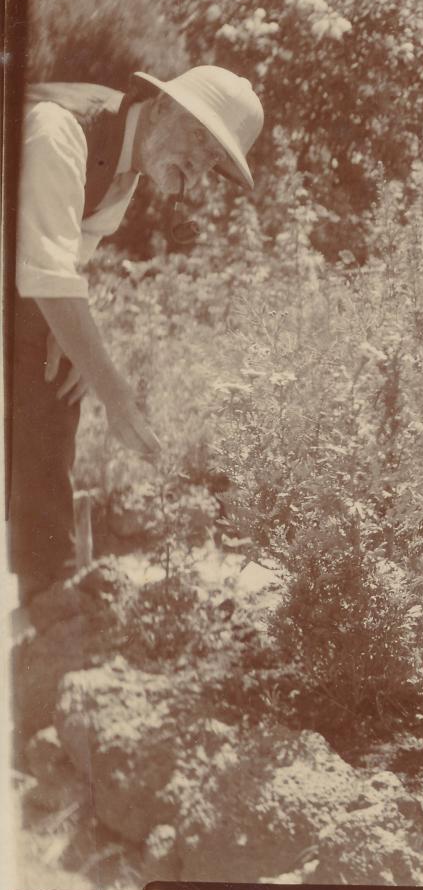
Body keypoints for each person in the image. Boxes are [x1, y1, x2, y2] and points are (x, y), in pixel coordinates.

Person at [7, 66, 263, 610]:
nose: (200, 163)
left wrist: (68, 334)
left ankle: (45, 595)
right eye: (199, 136)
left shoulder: (127, 170)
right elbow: (43, 273)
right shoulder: (61, 129)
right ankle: (45, 592)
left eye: (215, 157)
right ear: (163, 104)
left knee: (61, 375)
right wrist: (116, 394)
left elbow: (65, 257)